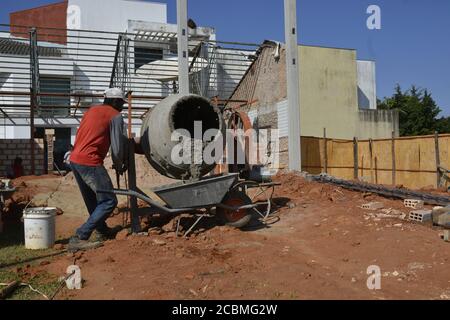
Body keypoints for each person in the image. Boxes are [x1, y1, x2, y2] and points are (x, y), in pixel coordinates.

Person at [68, 88, 128, 252]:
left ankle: (102, 231)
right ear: (115, 101)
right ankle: (81, 236)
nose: (122, 106)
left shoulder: (91, 111)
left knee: (93, 202)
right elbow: (116, 147)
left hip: (75, 159)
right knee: (109, 201)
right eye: (122, 103)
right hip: (90, 161)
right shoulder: (115, 115)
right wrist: (119, 163)